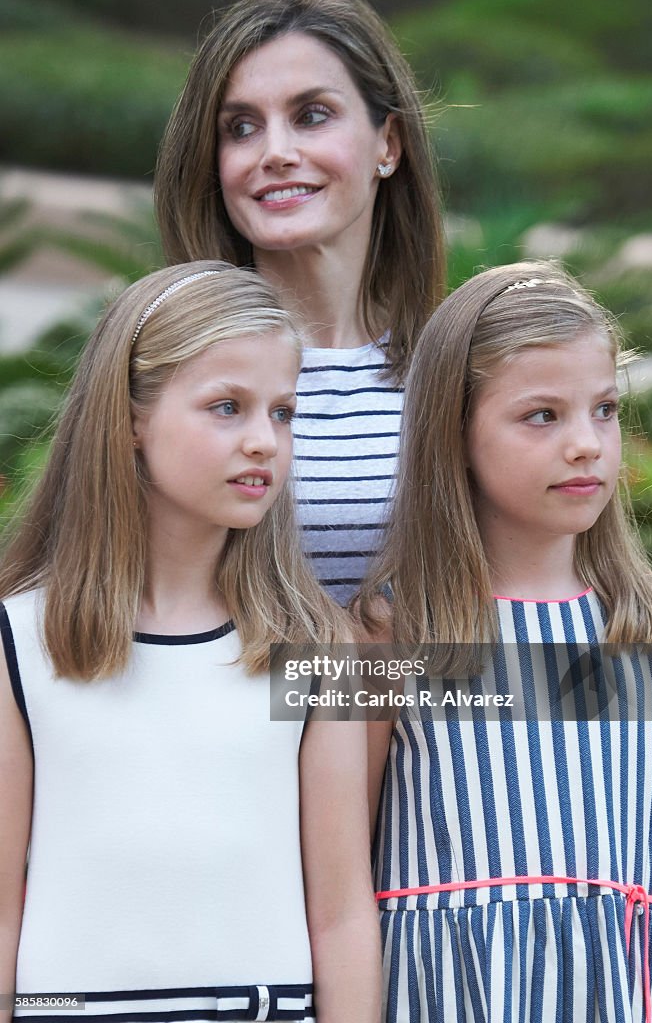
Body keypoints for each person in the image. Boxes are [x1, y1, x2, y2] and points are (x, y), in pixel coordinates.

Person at [0, 262, 380, 1023]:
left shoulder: (317, 649)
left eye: (282, 412)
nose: (263, 442)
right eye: (226, 407)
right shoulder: (17, 640)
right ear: (132, 416)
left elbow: (342, 915)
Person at [358, 261, 652, 1021]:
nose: (587, 445)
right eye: (542, 415)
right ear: (454, 431)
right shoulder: (379, 633)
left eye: (603, 410)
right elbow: (326, 886)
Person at [154, 0, 446, 606]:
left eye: (312, 116)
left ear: (387, 144)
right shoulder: (161, 365)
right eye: (241, 127)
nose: (275, 152)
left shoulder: (459, 367)